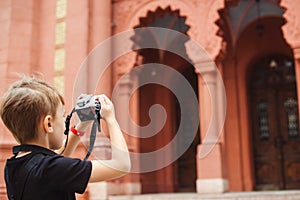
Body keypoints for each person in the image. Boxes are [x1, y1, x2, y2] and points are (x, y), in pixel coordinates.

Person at [0, 76, 131, 200]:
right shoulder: (52, 168)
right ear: (49, 123)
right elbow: (121, 165)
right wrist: (111, 118)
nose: (64, 122)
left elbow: (58, 156)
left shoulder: (14, 165)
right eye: (63, 116)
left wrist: (82, 125)